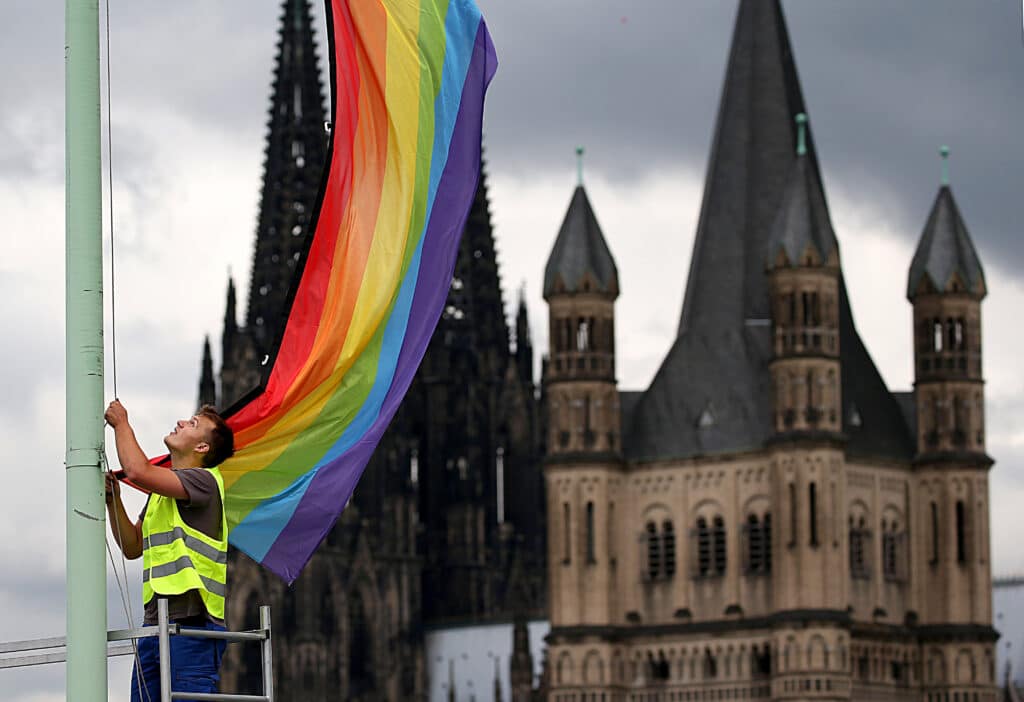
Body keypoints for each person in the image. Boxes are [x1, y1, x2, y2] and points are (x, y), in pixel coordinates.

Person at [104, 399, 235, 702]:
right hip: (155, 625)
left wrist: (122, 423)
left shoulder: (205, 482)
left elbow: (137, 470)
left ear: (202, 448)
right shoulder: (161, 494)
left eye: (193, 424)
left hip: (192, 628)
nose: (181, 422)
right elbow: (132, 546)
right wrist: (114, 502)